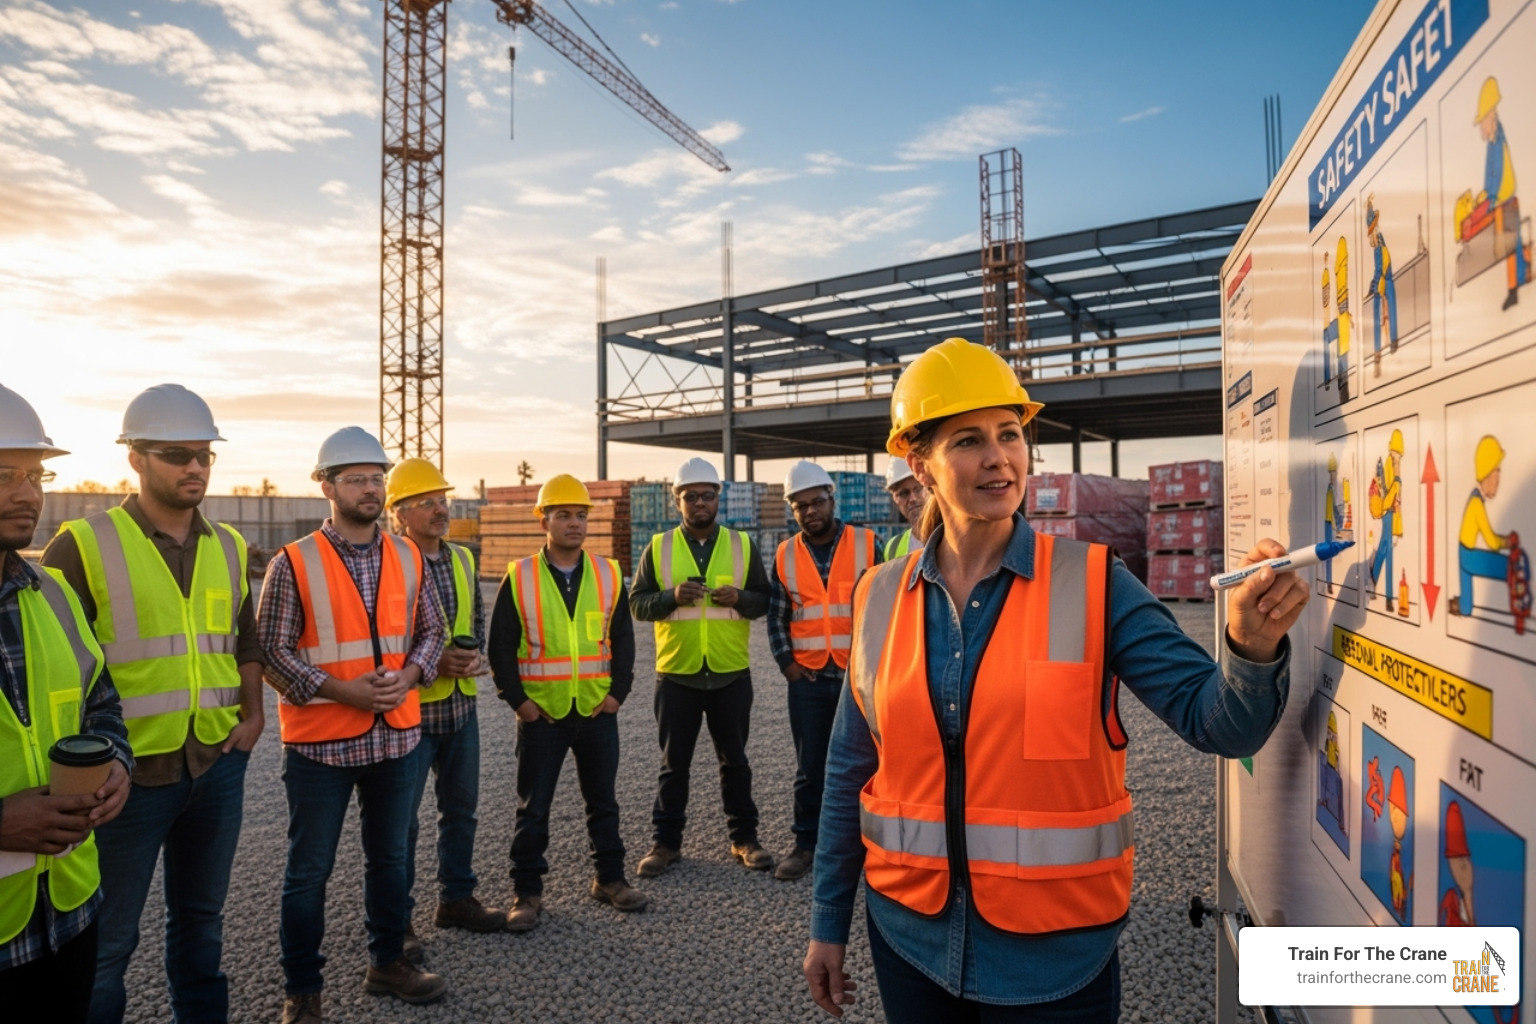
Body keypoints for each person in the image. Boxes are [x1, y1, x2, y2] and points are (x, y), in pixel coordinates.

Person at [802, 338, 1306, 1022]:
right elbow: (848, 770)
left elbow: (1219, 722)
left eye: (1010, 434)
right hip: (907, 938)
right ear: (919, 464)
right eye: (968, 440)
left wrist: (1251, 643)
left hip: (1055, 960)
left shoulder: (1097, 583)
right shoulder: (878, 596)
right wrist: (828, 921)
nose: (998, 457)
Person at [41, 384, 264, 1024]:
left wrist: (253, 716)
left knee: (202, 926)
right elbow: (55, 664)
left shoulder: (226, 545)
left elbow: (244, 639)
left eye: (204, 455)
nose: (194, 466)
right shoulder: (82, 545)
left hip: (215, 765)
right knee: (107, 946)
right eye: (176, 454)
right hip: (126, 779)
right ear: (135, 459)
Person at [258, 427, 448, 1024]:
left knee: (391, 858)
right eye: (356, 479)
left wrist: (412, 673)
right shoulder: (294, 562)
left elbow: (432, 631)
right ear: (326, 486)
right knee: (308, 872)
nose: (370, 489)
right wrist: (342, 689)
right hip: (320, 748)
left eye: (376, 478)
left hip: (397, 738)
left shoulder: (408, 553)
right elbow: (271, 651)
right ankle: (303, 991)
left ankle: (387, 962)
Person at [0, 384, 132, 1023]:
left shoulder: (51, 592)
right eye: (4, 475)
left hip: (68, 914)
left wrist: (119, 767)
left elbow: (101, 702)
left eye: (34, 474)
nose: (27, 493)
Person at [488, 474, 645, 931]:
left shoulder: (608, 572)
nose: (574, 524)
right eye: (563, 515)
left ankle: (610, 879)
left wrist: (618, 694)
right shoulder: (520, 576)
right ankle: (527, 892)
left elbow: (622, 640)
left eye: (580, 515)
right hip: (544, 714)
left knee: (604, 802)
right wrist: (519, 703)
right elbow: (501, 647)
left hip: (596, 711)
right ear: (544, 521)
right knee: (533, 807)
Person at [630, 457, 775, 877]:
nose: (699, 503)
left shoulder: (741, 545)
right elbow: (637, 604)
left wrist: (741, 599)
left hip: (731, 672)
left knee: (736, 762)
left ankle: (744, 839)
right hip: (677, 674)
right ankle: (666, 844)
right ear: (678, 501)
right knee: (674, 764)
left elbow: (765, 600)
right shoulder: (658, 547)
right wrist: (672, 597)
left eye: (706, 496)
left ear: (718, 498)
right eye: (690, 496)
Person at [386, 459, 504, 950]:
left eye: (442, 501)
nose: (440, 510)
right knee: (401, 824)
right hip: (410, 713)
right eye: (427, 503)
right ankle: (398, 922)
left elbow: (475, 620)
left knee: (461, 811)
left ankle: (456, 898)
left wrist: (471, 653)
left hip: (459, 709)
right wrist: (435, 666)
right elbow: (385, 640)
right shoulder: (388, 562)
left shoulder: (460, 559)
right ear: (399, 514)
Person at [768, 461, 880, 883]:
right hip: (810, 680)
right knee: (810, 766)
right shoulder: (785, 554)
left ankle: (870, 846)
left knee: (869, 765)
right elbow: (777, 617)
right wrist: (788, 666)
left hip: (860, 680)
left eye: (817, 502)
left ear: (832, 500)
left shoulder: (870, 544)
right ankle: (806, 844)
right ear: (793, 511)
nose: (810, 511)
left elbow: (886, 611)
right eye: (801, 506)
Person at [1453, 435, 1511, 618]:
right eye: (1497, 471)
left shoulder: (1475, 497)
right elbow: (1492, 542)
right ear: (1488, 473)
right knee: (1507, 566)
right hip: (1469, 556)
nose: (1499, 478)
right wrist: (1507, 542)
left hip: (1463, 552)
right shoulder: (1477, 504)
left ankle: (1458, 606)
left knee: (1466, 608)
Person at [882, 457, 927, 560]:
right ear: (895, 499)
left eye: (919, 489)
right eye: (904, 493)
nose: (912, 499)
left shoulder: (957, 540)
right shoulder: (893, 548)